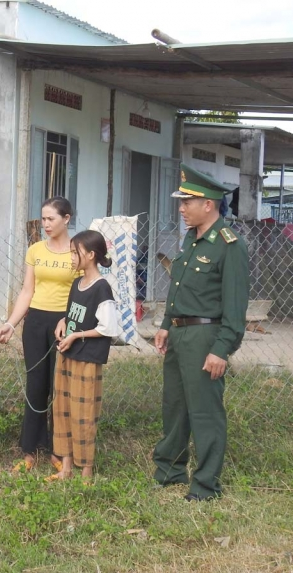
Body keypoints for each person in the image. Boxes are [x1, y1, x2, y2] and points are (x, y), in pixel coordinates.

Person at [153, 164, 249, 502]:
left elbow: (235, 308)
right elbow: (180, 288)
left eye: (187, 202)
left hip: (206, 338)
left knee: (205, 412)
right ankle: (169, 471)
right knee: (175, 406)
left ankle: (205, 485)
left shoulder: (229, 245)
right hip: (180, 335)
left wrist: (221, 349)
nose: (181, 208)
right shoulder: (191, 240)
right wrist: (166, 325)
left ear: (208, 203)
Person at [0, 196, 79, 473]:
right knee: (36, 386)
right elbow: (27, 291)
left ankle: (59, 450)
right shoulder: (35, 251)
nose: (45, 224)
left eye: (51, 219)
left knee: (60, 388)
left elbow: (85, 291)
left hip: (64, 324)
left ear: (66, 219)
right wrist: (11, 323)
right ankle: (29, 450)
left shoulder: (79, 250)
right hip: (36, 323)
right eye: (43, 219)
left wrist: (68, 318)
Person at [47, 230, 119, 482]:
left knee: (84, 413)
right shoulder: (77, 284)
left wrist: (77, 336)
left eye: (75, 253)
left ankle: (86, 471)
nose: (71, 257)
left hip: (87, 358)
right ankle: (66, 467)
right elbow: (75, 313)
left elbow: (108, 327)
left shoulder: (101, 288)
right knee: (64, 409)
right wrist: (63, 321)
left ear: (90, 255)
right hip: (67, 354)